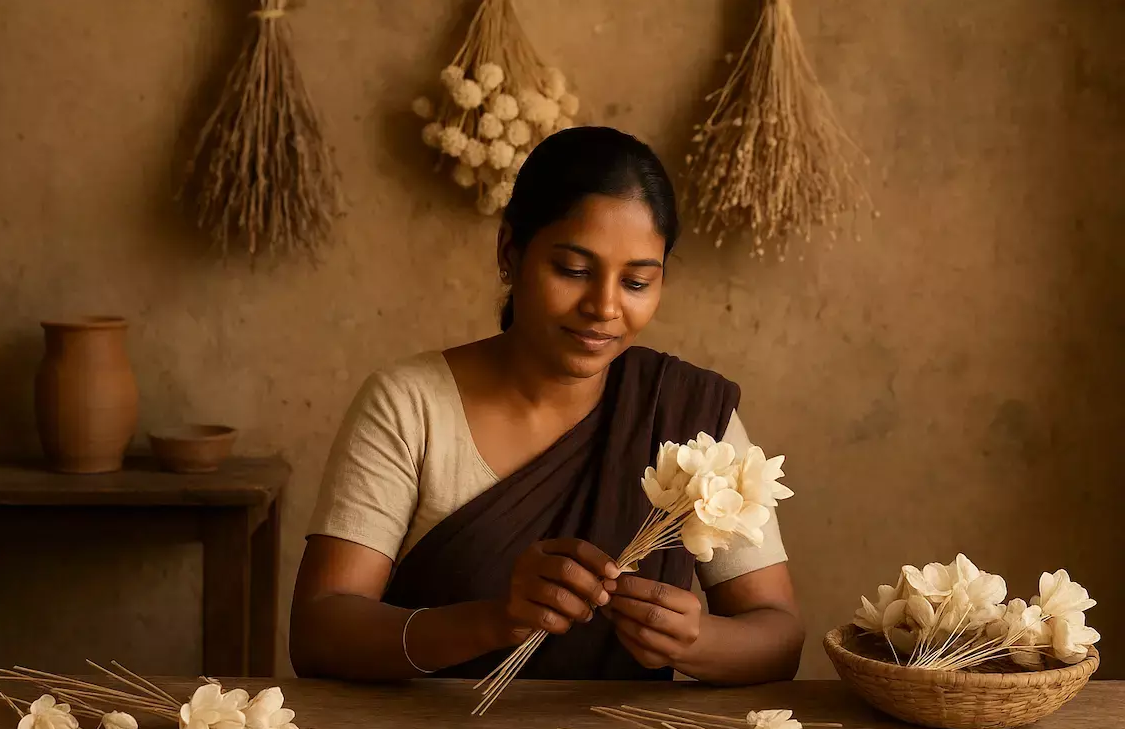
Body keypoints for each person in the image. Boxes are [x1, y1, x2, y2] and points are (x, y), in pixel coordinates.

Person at [290, 126, 804, 684]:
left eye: (635, 282)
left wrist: (697, 641)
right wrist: (493, 621)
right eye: (574, 272)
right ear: (510, 252)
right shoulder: (410, 405)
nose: (604, 307)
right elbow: (320, 633)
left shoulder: (683, 412)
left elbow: (778, 637)